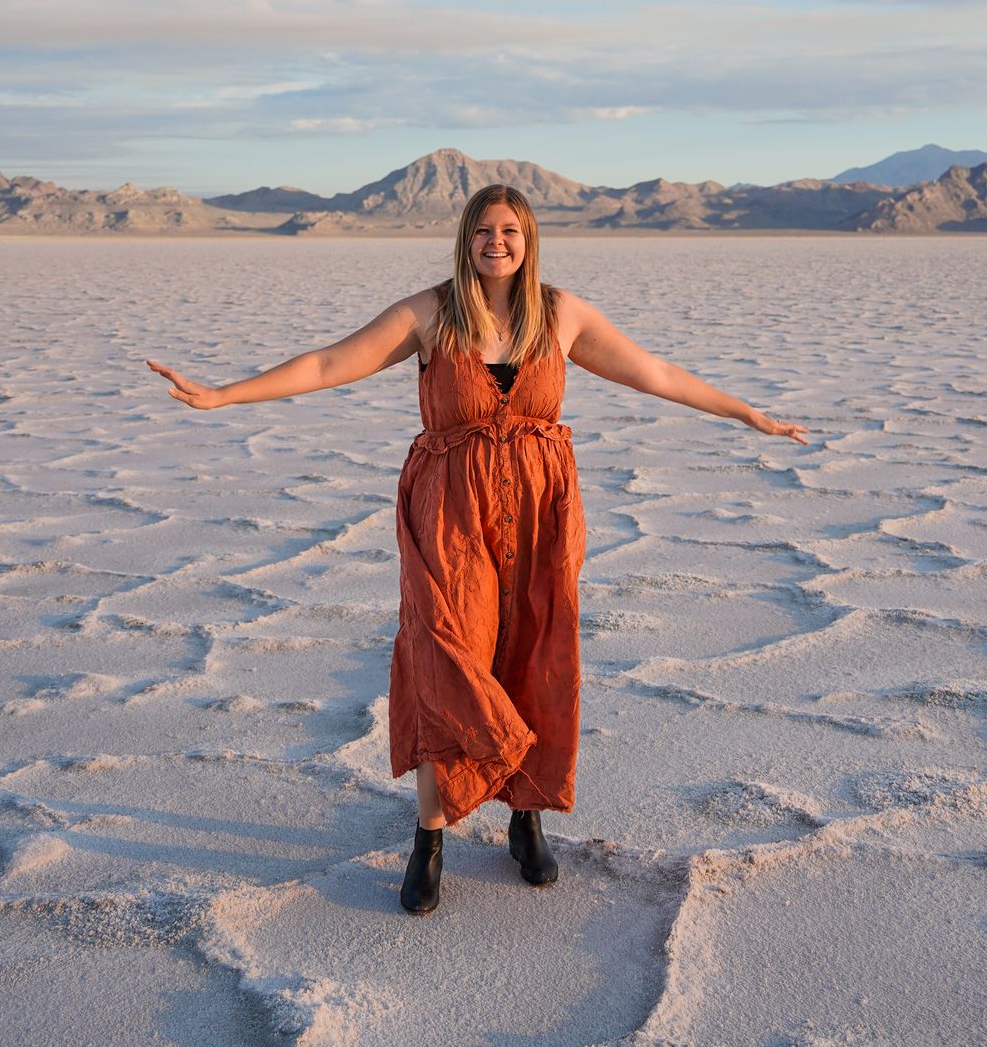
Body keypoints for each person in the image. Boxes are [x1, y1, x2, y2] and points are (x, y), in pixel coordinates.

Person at [147, 183, 809, 916]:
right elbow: (329, 364)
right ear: (466, 239)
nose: (497, 243)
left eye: (511, 232)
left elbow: (654, 373)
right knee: (445, 656)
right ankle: (429, 837)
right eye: (484, 231)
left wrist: (747, 413)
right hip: (451, 513)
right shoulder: (429, 314)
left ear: (529, 241)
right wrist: (222, 395)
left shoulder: (560, 315)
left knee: (532, 654)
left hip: (540, 512)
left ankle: (524, 819)